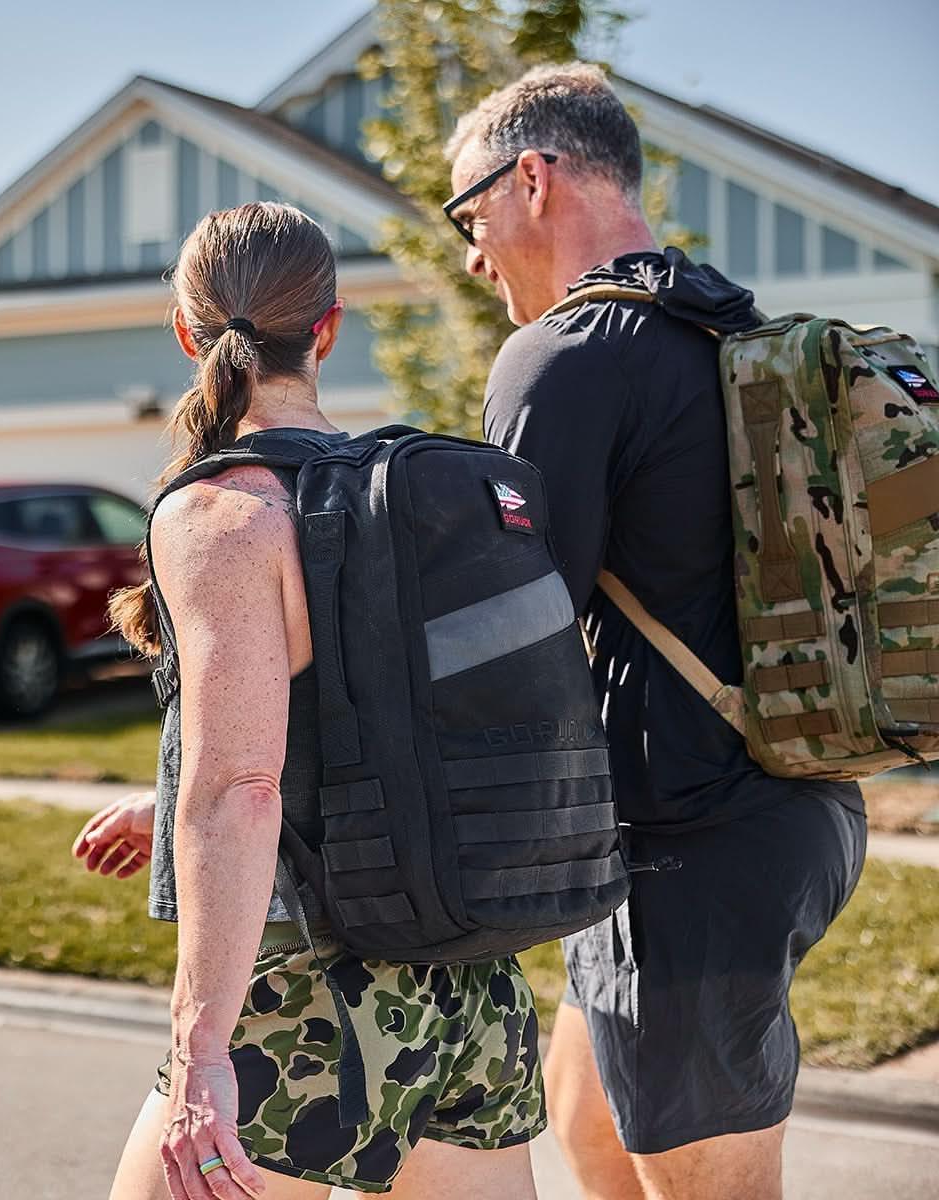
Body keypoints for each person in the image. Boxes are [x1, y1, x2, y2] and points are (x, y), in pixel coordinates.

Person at [443, 65, 866, 1200]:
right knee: (584, 1122)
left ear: (531, 178)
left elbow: (518, 627)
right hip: (797, 804)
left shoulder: (561, 358)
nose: (471, 257)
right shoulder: (730, 326)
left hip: (688, 843)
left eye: (468, 213)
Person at [72, 202, 545, 1200]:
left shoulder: (224, 513)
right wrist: (172, 803)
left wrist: (203, 1051)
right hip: (472, 987)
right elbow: (387, 728)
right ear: (329, 329)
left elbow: (242, 787)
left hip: (300, 1000)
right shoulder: (414, 491)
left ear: (186, 335)